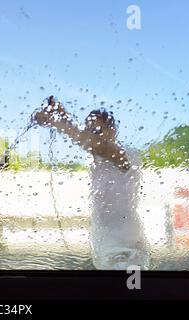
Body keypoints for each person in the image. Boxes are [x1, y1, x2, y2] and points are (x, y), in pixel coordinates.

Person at [32, 96, 149, 270]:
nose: (91, 138)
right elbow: (90, 142)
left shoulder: (128, 155)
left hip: (128, 245)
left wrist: (55, 122)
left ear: (113, 131)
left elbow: (95, 144)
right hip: (103, 243)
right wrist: (62, 113)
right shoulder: (97, 161)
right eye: (89, 131)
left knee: (133, 290)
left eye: (98, 132)